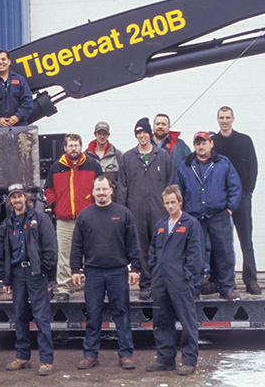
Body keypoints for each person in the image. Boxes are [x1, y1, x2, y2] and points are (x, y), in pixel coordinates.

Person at [71, 175, 141, 371]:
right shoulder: (85, 215)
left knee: (122, 313)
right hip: (93, 273)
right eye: (97, 189)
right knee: (93, 315)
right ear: (92, 192)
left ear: (111, 190)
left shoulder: (124, 213)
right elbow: (77, 245)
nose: (101, 193)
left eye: (104, 189)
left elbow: (133, 244)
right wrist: (75, 269)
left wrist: (135, 268)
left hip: (118, 272)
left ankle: (126, 354)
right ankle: (91, 355)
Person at [0, 184, 58, 377]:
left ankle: (46, 360)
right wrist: (4, 279)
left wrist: (43, 270)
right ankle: (22, 356)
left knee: (41, 317)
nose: (17, 200)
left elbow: (51, 247)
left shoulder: (40, 219)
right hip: (16, 275)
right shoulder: (6, 224)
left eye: (20, 196)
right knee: (20, 316)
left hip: (35, 274)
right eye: (13, 197)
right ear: (10, 200)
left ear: (26, 198)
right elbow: (1, 254)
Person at [175, 132, 242, 300]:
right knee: (195, 253)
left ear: (211, 143)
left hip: (219, 214)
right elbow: (178, 190)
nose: (201, 146)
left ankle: (226, 287)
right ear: (194, 146)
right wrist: (183, 213)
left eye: (204, 143)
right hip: (195, 217)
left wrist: (229, 210)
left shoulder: (223, 164)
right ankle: (195, 287)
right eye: (197, 143)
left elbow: (235, 188)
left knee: (224, 252)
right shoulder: (185, 166)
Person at [145, 185, 203, 377]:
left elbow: (196, 255)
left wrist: (187, 275)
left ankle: (188, 361)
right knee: (161, 321)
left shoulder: (190, 223)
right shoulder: (160, 225)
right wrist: (154, 271)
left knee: (187, 322)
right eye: (167, 203)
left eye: (173, 202)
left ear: (180, 202)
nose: (170, 206)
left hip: (180, 281)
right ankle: (165, 358)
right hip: (160, 281)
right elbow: (152, 250)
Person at [116, 118, 173, 300]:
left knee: (160, 248)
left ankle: (161, 285)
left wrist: (170, 210)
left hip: (159, 211)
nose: (142, 136)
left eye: (144, 132)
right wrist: (123, 210)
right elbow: (122, 187)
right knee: (140, 249)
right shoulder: (128, 157)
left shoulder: (162, 156)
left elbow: (170, 183)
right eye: (138, 133)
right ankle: (145, 286)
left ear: (151, 134)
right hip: (136, 211)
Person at [44, 133, 102, 303]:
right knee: (64, 254)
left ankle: (93, 286)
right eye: (70, 145)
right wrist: (57, 206)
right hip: (65, 219)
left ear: (81, 147)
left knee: (92, 253)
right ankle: (63, 288)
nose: (73, 148)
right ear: (65, 148)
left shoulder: (93, 165)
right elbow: (48, 189)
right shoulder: (56, 167)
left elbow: (101, 186)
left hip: (89, 219)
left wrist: (94, 205)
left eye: (76, 145)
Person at [212, 106, 261, 295]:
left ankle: (251, 280)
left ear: (233, 119)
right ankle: (226, 281)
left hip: (241, 198)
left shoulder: (244, 140)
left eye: (227, 117)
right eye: (221, 117)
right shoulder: (213, 142)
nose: (224, 121)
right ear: (217, 120)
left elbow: (253, 167)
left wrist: (248, 192)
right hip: (221, 200)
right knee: (222, 242)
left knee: (246, 240)